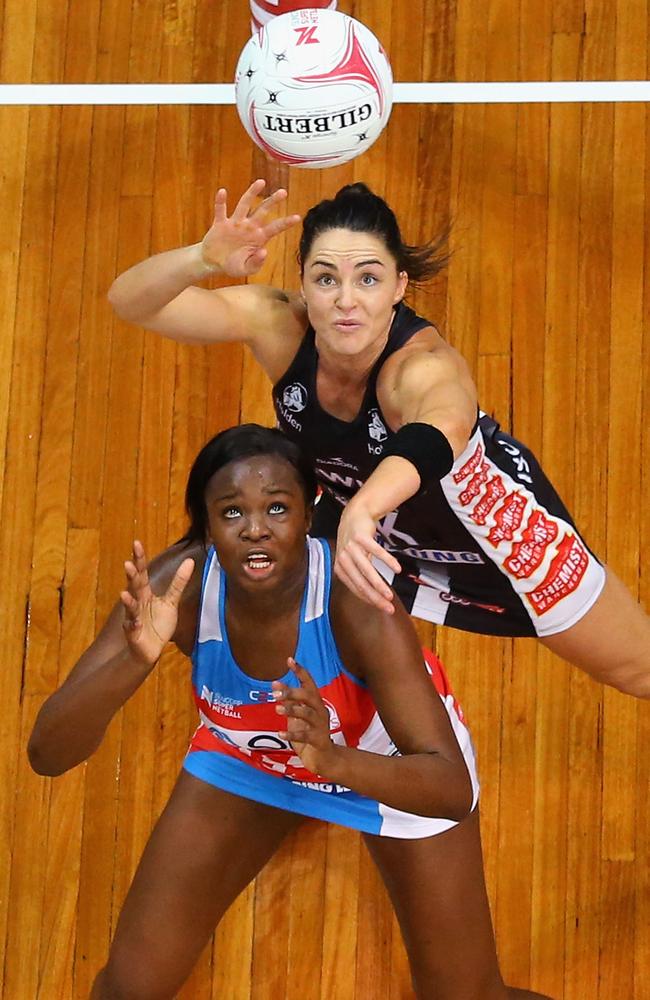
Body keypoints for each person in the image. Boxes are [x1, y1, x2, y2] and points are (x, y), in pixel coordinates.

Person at [28, 425, 550, 1000]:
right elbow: (49, 754)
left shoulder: (358, 602)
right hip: (251, 759)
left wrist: (333, 760)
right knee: (126, 989)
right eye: (231, 512)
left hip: (383, 764)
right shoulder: (177, 589)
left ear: (310, 513)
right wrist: (132, 662)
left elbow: (451, 788)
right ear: (206, 523)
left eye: (277, 507)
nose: (255, 529)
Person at [107, 180, 649, 699]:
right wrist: (202, 258)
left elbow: (440, 429)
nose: (346, 301)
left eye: (367, 279)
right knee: (273, 591)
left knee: (637, 671)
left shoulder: (419, 366)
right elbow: (131, 301)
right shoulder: (279, 326)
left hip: (491, 534)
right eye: (326, 279)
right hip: (376, 538)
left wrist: (363, 508)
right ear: (302, 281)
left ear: (398, 286)